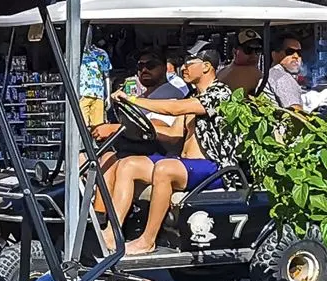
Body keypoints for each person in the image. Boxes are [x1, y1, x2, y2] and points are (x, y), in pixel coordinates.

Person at [103, 49, 237, 255]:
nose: (183, 67)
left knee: (165, 168)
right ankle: (112, 234)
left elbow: (174, 110)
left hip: (216, 168)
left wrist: (134, 100)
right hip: (187, 164)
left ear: (207, 66)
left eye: (189, 62)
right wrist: (142, 127)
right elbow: (174, 134)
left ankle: (147, 240)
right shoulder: (194, 95)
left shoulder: (220, 94)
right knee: (129, 164)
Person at [76, 38, 112, 128]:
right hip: (81, 94)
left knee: (98, 128)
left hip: (99, 95)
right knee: (81, 127)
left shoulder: (101, 53)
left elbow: (106, 76)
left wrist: (107, 96)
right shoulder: (74, 52)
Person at [262, 40, 309, 111]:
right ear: (274, 55)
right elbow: (296, 113)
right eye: (290, 52)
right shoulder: (282, 77)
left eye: (299, 53)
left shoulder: (272, 73)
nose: (296, 56)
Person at [219, 30, 263, 96]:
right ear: (235, 51)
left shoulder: (222, 71)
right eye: (248, 50)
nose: (254, 55)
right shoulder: (250, 72)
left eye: (258, 50)